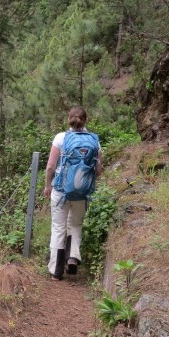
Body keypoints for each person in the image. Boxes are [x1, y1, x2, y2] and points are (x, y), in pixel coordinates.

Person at [42, 106, 102, 280]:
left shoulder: (61, 138)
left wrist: (47, 186)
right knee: (75, 225)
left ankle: (56, 271)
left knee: (58, 227)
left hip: (61, 191)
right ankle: (72, 258)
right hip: (82, 193)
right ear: (85, 120)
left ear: (68, 119)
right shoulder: (94, 140)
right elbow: (98, 170)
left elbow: (50, 166)